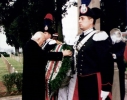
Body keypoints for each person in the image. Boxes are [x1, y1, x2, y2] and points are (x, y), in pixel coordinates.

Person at [68, 4, 114, 100]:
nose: (79, 21)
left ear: (91, 20)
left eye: (82, 18)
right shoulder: (79, 38)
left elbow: (107, 64)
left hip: (93, 81)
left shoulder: (99, 36)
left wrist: (106, 87)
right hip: (80, 82)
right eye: (79, 18)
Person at [22, 31, 72, 100]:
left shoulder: (30, 44)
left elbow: (42, 53)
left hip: (31, 80)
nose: (43, 43)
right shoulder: (32, 46)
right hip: (33, 82)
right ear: (38, 39)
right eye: (43, 41)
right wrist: (62, 53)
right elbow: (44, 55)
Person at [110, 28, 126, 100]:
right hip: (111, 65)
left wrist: (114, 55)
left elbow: (121, 52)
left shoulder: (122, 43)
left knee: (121, 81)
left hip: (120, 65)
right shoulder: (110, 43)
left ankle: (121, 97)